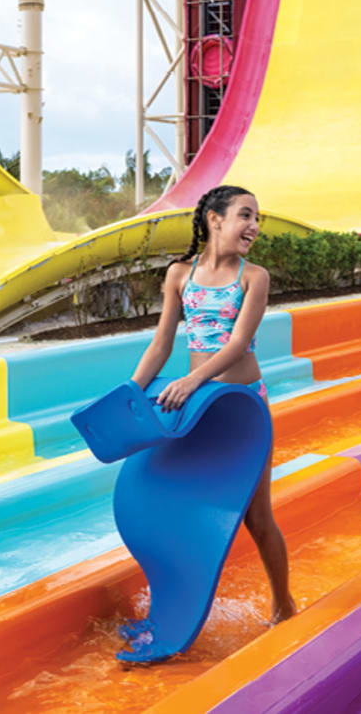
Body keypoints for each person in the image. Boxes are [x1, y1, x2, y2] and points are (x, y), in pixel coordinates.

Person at [127, 184, 297, 625]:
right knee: (179, 506)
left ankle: (284, 605)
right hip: (200, 406)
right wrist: (131, 392)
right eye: (245, 215)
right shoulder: (179, 275)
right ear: (215, 219)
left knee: (258, 518)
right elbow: (162, 343)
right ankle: (177, 606)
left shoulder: (252, 277)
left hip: (243, 408)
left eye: (257, 218)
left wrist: (192, 378)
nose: (254, 226)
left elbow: (239, 344)